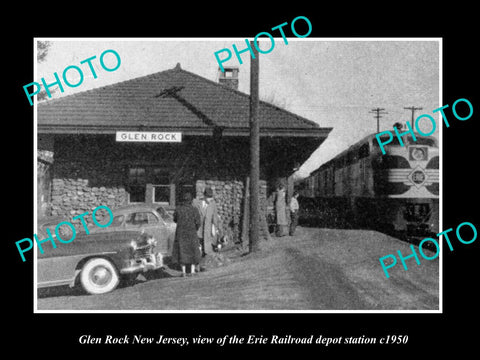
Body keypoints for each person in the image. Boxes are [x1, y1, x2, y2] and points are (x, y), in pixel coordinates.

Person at [172, 192, 202, 277]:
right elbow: (198, 223)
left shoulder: (178, 209)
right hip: (191, 233)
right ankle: (192, 271)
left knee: (182, 252)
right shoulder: (194, 209)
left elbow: (175, 219)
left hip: (181, 234)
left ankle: (184, 272)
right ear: (191, 200)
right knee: (193, 251)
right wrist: (194, 229)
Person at [202, 187, 220, 255]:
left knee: (208, 245)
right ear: (204, 196)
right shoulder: (198, 203)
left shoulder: (213, 204)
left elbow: (215, 217)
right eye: (208, 198)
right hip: (200, 228)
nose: (210, 199)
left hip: (208, 228)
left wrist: (216, 228)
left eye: (211, 197)